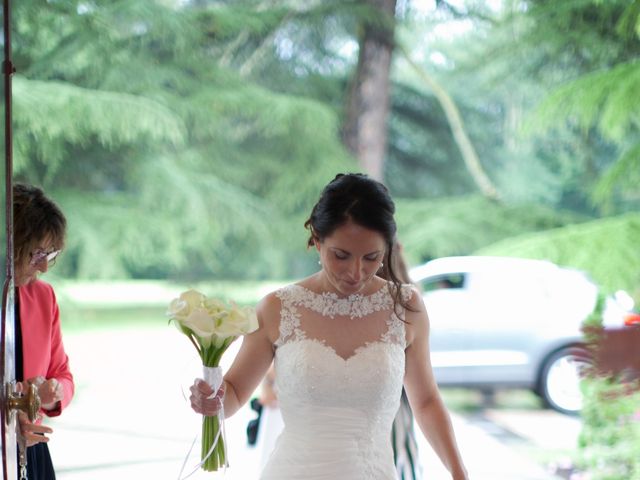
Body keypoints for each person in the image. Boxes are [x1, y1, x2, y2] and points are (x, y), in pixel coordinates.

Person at [190, 173, 468, 480]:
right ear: (317, 240)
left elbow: (426, 401)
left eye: (372, 257)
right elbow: (235, 393)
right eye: (341, 255)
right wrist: (212, 400)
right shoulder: (277, 308)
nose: (356, 272)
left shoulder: (406, 307)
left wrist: (458, 471)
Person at [13, 183, 75, 480]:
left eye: (49, 255)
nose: (44, 267)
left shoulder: (43, 296)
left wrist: (53, 394)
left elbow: (63, 373)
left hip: (33, 449)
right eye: (37, 253)